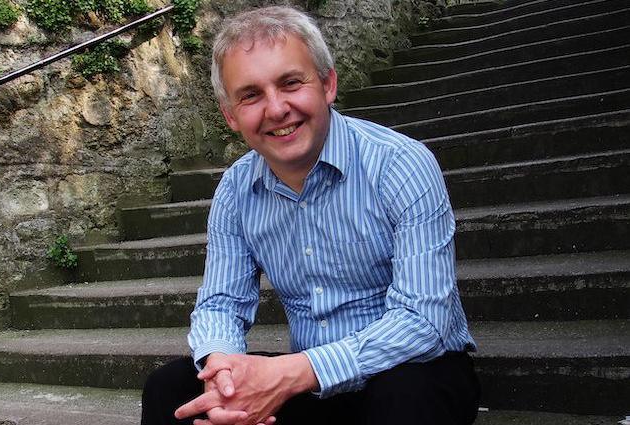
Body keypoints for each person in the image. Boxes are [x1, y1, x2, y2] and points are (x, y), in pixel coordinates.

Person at [141, 6, 480, 425]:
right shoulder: (234, 190)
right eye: (250, 95)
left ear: (327, 83)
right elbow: (221, 304)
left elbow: (423, 321)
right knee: (170, 392)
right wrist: (223, 376)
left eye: (290, 83)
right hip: (308, 384)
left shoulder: (400, 165)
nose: (276, 109)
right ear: (230, 116)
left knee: (404, 401)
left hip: (414, 369)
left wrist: (294, 373)